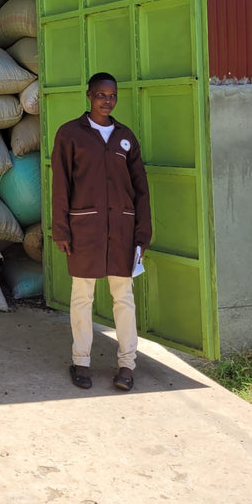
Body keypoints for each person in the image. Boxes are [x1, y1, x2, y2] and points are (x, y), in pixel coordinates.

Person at [50, 72, 152, 392]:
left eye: (112, 96)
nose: (107, 101)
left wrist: (142, 234)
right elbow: (61, 186)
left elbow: (140, 189)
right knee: (83, 296)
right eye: (101, 95)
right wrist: (61, 230)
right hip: (85, 230)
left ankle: (127, 365)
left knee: (124, 297)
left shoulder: (125, 137)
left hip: (121, 232)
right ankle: (81, 361)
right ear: (89, 95)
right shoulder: (70, 134)